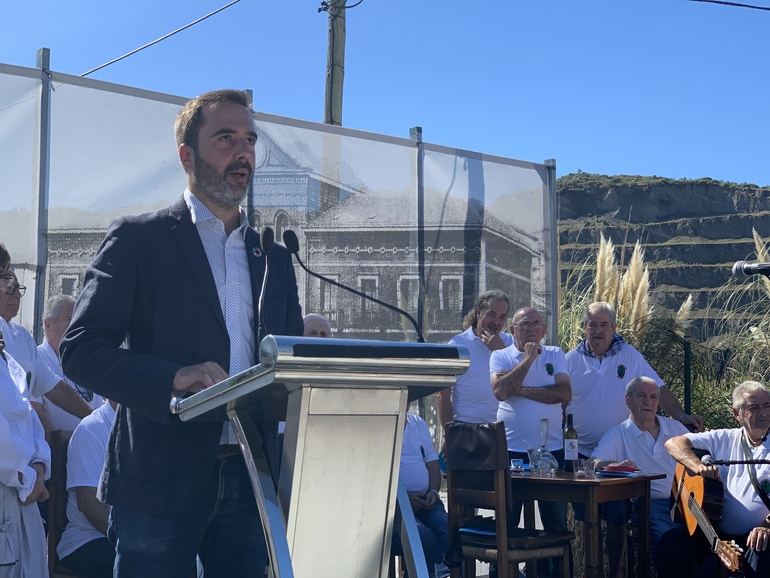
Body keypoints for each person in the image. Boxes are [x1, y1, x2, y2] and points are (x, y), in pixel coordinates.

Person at [59, 89, 304, 577]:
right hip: (159, 475)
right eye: (226, 138)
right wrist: (172, 377)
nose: (243, 152)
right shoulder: (138, 239)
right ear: (186, 156)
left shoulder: (274, 257)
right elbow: (80, 348)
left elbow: (291, 359)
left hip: (252, 475)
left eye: (250, 140)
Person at [490, 306, 571, 578]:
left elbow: (563, 393)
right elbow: (501, 391)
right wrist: (527, 358)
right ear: (513, 330)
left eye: (537, 324)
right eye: (525, 324)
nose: (532, 329)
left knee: (556, 525)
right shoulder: (500, 356)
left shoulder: (555, 354)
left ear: (544, 330)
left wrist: (520, 389)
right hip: (510, 454)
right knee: (507, 524)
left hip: (552, 454)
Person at [565, 301, 703, 459]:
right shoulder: (570, 360)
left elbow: (658, 389)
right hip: (578, 451)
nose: (598, 330)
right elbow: (559, 405)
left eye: (604, 325)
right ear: (585, 328)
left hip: (621, 449)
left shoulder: (629, 355)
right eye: (592, 325)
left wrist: (681, 416)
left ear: (614, 327)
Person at [662, 381, 770, 578]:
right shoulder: (723, 438)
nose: (763, 413)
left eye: (767, 405)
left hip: (758, 536)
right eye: (754, 408)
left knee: (760, 552)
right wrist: (697, 466)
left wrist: (766, 525)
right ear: (737, 414)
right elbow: (673, 443)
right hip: (713, 533)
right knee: (671, 542)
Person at [590, 376, 689, 578]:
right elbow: (593, 462)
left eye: (653, 397)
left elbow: (705, 455)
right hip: (651, 505)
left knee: (712, 541)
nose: (648, 402)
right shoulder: (618, 435)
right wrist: (611, 465)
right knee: (668, 541)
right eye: (641, 395)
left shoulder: (676, 429)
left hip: (688, 501)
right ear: (628, 400)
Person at [0, 264, 93, 438]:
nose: (17, 295)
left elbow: (53, 388)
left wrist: (94, 419)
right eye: (10, 287)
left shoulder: (23, 337)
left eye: (19, 288)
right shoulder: (39, 350)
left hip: (22, 447)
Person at [0, 260, 50, 577]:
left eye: (16, 284)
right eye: (6, 280)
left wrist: (40, 465)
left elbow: (28, 415)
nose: (14, 291)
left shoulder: (13, 346)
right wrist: (28, 477)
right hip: (10, 488)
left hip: (23, 489)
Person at [57, 399, 117, 578]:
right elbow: (89, 504)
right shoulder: (91, 429)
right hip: (88, 540)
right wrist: (135, 542)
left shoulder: (148, 430)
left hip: (135, 538)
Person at [436, 290, 512, 428]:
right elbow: (443, 395)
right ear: (478, 313)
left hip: (504, 429)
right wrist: (448, 434)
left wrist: (501, 350)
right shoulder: (458, 345)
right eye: (491, 314)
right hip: (467, 428)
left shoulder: (510, 343)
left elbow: (522, 380)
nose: (496, 322)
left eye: (502, 317)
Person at [392, 411, 449, 578]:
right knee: (423, 537)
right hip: (395, 505)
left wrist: (433, 491)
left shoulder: (418, 423)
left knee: (446, 525)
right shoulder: (380, 423)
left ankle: (444, 575)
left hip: (426, 499)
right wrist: (402, 499)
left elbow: (433, 465)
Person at [38, 295, 104, 432]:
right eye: (69, 319)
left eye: (77, 319)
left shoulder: (84, 360)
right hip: (56, 443)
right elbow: (37, 414)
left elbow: (99, 409)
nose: (75, 326)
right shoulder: (38, 358)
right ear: (48, 325)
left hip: (89, 441)